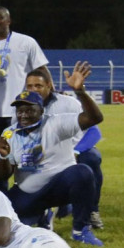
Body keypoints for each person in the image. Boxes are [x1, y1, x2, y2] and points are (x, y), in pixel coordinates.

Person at [0, 63, 106, 247]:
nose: (24, 114)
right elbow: (4, 174)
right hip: (29, 192)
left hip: (60, 186)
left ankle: (81, 230)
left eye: (30, 109)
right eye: (20, 110)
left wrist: (80, 92)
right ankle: (42, 214)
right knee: (9, 221)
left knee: (83, 172)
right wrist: (2, 157)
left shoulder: (56, 123)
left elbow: (95, 118)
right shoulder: (9, 134)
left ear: (41, 110)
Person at [22, 68, 105, 228]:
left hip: (74, 151)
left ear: (49, 85)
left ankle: (91, 211)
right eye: (30, 86)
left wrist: (75, 151)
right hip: (42, 154)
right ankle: (44, 207)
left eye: (38, 86)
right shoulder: (21, 106)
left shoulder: (69, 103)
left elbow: (94, 131)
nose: (34, 90)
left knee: (92, 158)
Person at [0, 7, 48, 139]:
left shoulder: (26, 42)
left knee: (22, 148)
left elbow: (42, 71)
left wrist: (52, 94)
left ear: (8, 20)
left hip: (22, 110)